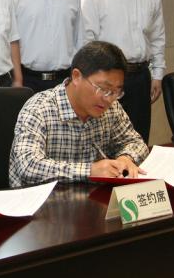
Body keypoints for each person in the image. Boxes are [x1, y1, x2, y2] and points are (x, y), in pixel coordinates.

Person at [8, 41, 149, 187]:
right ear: (76, 76)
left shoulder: (111, 107)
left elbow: (136, 142)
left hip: (90, 196)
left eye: (115, 92)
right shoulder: (39, 109)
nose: (108, 99)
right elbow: (28, 165)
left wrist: (125, 158)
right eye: (103, 89)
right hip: (41, 198)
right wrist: (90, 171)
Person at [80, 0, 165, 143]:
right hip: (106, 78)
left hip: (140, 76)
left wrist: (157, 74)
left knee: (139, 139)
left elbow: (157, 36)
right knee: (107, 141)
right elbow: (86, 43)